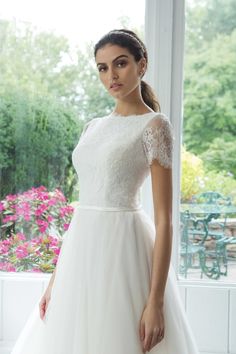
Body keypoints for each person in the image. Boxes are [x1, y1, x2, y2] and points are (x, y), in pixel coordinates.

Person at [11, 29, 200, 354]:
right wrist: (55, 282)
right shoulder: (93, 127)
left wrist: (155, 302)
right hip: (80, 255)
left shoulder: (155, 126)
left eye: (120, 63)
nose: (111, 75)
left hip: (123, 251)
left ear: (142, 65)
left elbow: (165, 220)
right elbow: (83, 209)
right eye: (102, 67)